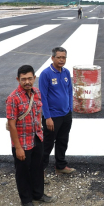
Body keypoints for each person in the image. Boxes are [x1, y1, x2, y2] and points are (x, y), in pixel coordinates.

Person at [6, 65, 56, 206]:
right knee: (22, 173)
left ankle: (38, 194)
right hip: (22, 142)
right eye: (23, 79)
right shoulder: (13, 98)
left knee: (37, 168)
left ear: (34, 78)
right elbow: (11, 125)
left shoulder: (37, 92)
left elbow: (38, 112)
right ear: (18, 79)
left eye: (29, 78)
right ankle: (26, 200)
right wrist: (18, 148)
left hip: (37, 137)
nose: (27, 82)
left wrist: (39, 130)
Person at [39, 47, 76, 175]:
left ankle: (60, 165)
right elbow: (42, 96)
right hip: (52, 117)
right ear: (53, 58)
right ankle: (40, 169)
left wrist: (70, 109)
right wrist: (47, 117)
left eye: (64, 57)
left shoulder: (65, 72)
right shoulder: (46, 74)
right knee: (47, 144)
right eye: (59, 57)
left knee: (63, 141)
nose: (61, 60)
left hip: (66, 114)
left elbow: (70, 91)